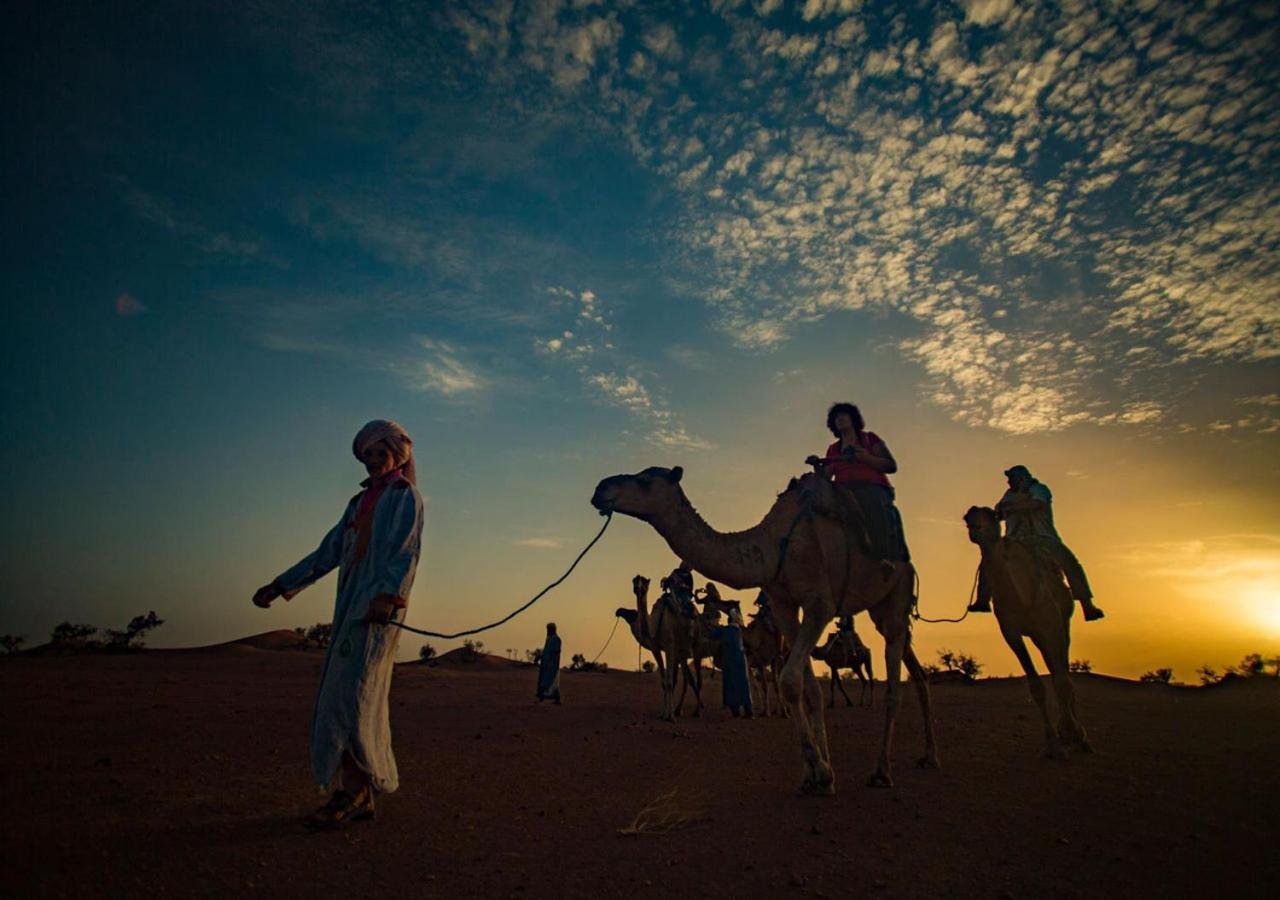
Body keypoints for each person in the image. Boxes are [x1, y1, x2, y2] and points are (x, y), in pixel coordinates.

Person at [251, 419, 424, 830]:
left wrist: (388, 595)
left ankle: (355, 794)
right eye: (366, 455)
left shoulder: (405, 497)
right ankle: (356, 793)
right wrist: (281, 584)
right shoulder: (357, 503)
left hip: (378, 612)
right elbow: (328, 552)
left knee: (353, 699)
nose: (372, 461)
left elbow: (406, 551)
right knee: (342, 699)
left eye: (379, 453)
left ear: (396, 454)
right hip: (349, 608)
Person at [969, 465, 1104, 621]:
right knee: (989, 560)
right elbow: (999, 512)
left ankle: (1087, 606)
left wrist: (1011, 507)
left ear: (1021, 478)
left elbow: (1038, 503)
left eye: (1011, 479)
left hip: (1042, 538)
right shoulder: (1009, 495)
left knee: (1069, 563)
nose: (1009, 482)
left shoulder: (1039, 489)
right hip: (1014, 540)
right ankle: (983, 600)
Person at [808, 402, 910, 562]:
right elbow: (826, 477)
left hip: (872, 488)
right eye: (836, 417)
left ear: (853, 418)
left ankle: (884, 558)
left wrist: (865, 458)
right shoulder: (833, 449)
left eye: (844, 415)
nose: (840, 419)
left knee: (871, 507)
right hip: (843, 490)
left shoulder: (869, 439)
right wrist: (817, 466)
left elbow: (890, 465)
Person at [713, 604, 754, 718]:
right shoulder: (740, 631)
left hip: (729, 662)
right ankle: (748, 711)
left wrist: (714, 625)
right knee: (744, 685)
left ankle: (736, 711)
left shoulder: (725, 630)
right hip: (741, 662)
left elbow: (713, 635)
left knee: (731, 685)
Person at [536, 622, 562, 703]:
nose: (548, 631)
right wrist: (540, 657)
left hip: (553, 665)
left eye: (549, 629)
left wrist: (552, 656)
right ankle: (542, 698)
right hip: (546, 664)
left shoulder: (557, 639)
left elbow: (557, 651)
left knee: (550, 681)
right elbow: (546, 651)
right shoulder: (548, 639)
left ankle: (544, 698)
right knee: (545, 680)